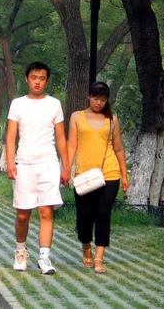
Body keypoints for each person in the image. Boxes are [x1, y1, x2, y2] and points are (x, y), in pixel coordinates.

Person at [5, 62, 70, 274]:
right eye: (34, 78)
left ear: (47, 81)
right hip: (24, 163)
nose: (37, 82)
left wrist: (66, 166)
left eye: (42, 78)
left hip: (48, 163)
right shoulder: (17, 104)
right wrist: (10, 162)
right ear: (27, 79)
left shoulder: (54, 104)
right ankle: (21, 251)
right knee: (23, 213)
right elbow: (11, 136)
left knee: (46, 212)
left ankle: (45, 257)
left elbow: (61, 137)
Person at [67, 82, 129, 274]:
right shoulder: (77, 117)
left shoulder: (112, 119)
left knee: (103, 213)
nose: (98, 102)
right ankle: (86, 246)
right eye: (95, 98)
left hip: (109, 173)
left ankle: (99, 256)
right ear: (88, 96)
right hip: (84, 175)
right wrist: (66, 170)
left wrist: (124, 174)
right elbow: (71, 146)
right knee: (84, 217)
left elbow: (118, 148)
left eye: (102, 99)